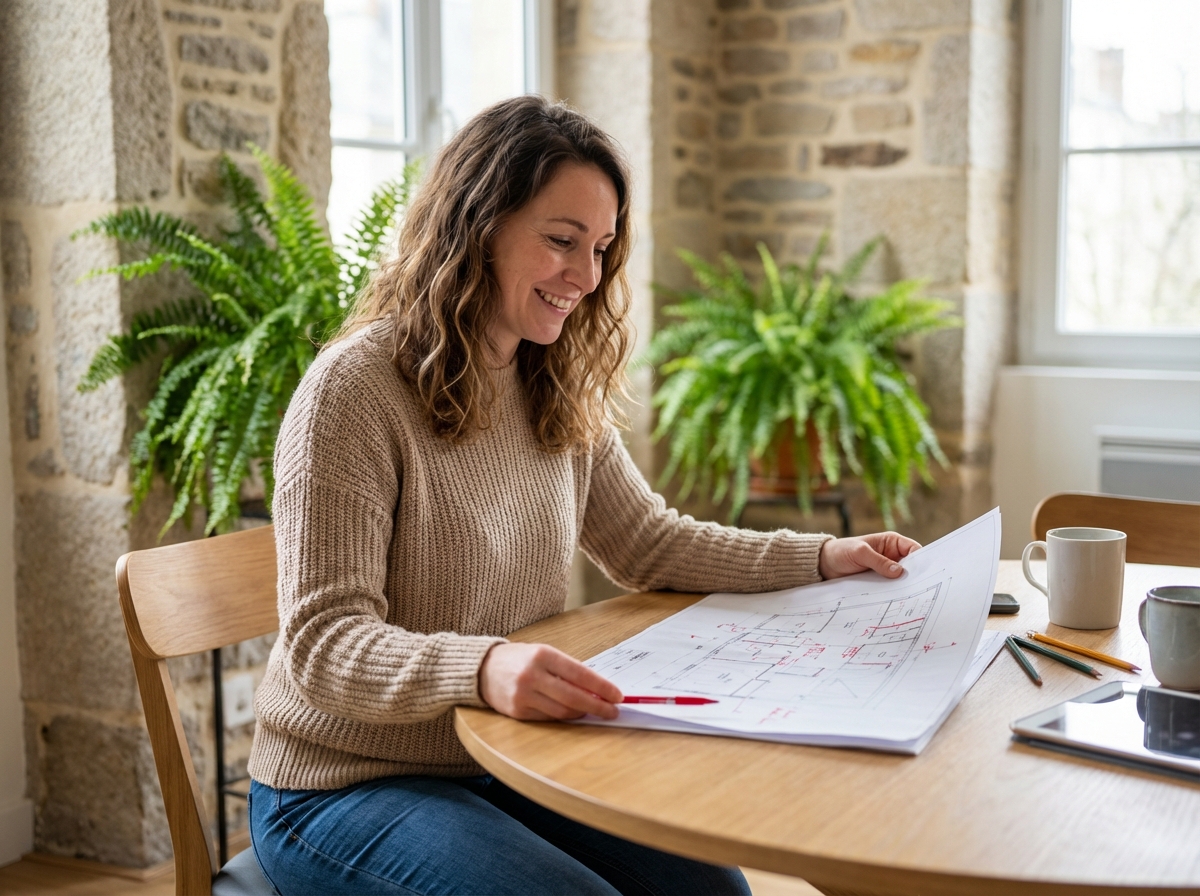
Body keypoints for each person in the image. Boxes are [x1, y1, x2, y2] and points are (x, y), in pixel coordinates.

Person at [246, 95, 919, 896]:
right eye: (561, 241)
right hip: (342, 783)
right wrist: (486, 666)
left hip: (502, 754)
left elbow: (650, 544)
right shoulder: (353, 393)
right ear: (477, 225)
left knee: (716, 892)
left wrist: (821, 556)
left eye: (600, 248)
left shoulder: (548, 378)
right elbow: (325, 641)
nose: (587, 276)